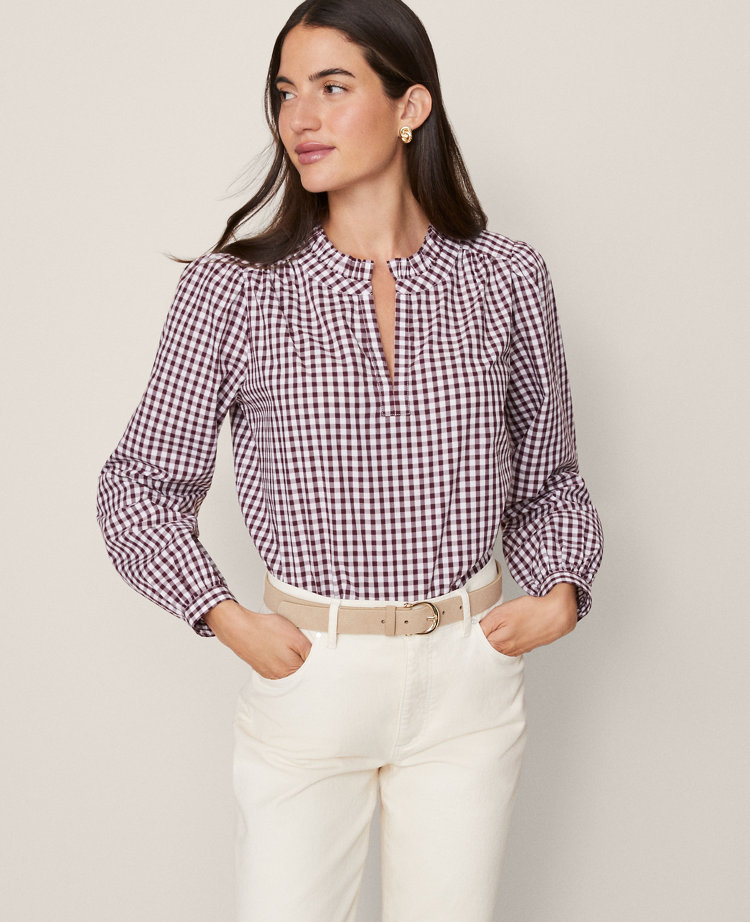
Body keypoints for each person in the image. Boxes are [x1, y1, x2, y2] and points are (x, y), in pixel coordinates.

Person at [96, 0, 604, 919]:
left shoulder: (507, 277)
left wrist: (563, 590)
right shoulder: (233, 290)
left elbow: (549, 479)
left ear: (411, 106)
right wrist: (225, 618)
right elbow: (139, 486)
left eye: (333, 88)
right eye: (286, 92)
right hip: (312, 674)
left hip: (468, 682)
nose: (301, 117)